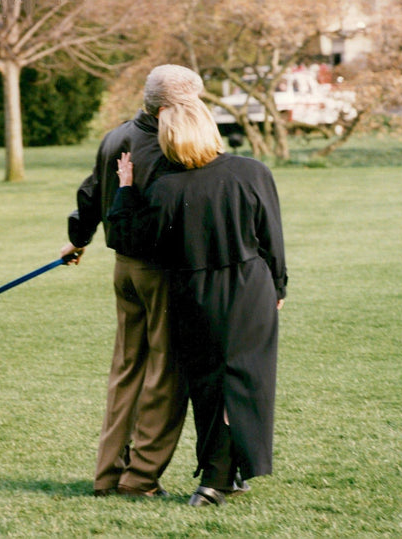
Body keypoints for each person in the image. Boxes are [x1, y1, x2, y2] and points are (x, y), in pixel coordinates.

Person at [107, 98, 288, 507]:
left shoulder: (164, 188)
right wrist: (278, 287)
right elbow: (271, 236)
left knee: (210, 386)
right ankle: (219, 477)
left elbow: (130, 239)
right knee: (241, 383)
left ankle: (223, 473)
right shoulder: (252, 172)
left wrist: (124, 190)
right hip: (249, 291)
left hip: (193, 295)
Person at [59, 65, 205, 498]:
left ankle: (108, 475)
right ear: (172, 105)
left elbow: (90, 193)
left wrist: (78, 240)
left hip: (123, 268)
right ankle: (139, 479)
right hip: (161, 270)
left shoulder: (115, 136)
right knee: (165, 373)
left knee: (126, 370)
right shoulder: (172, 140)